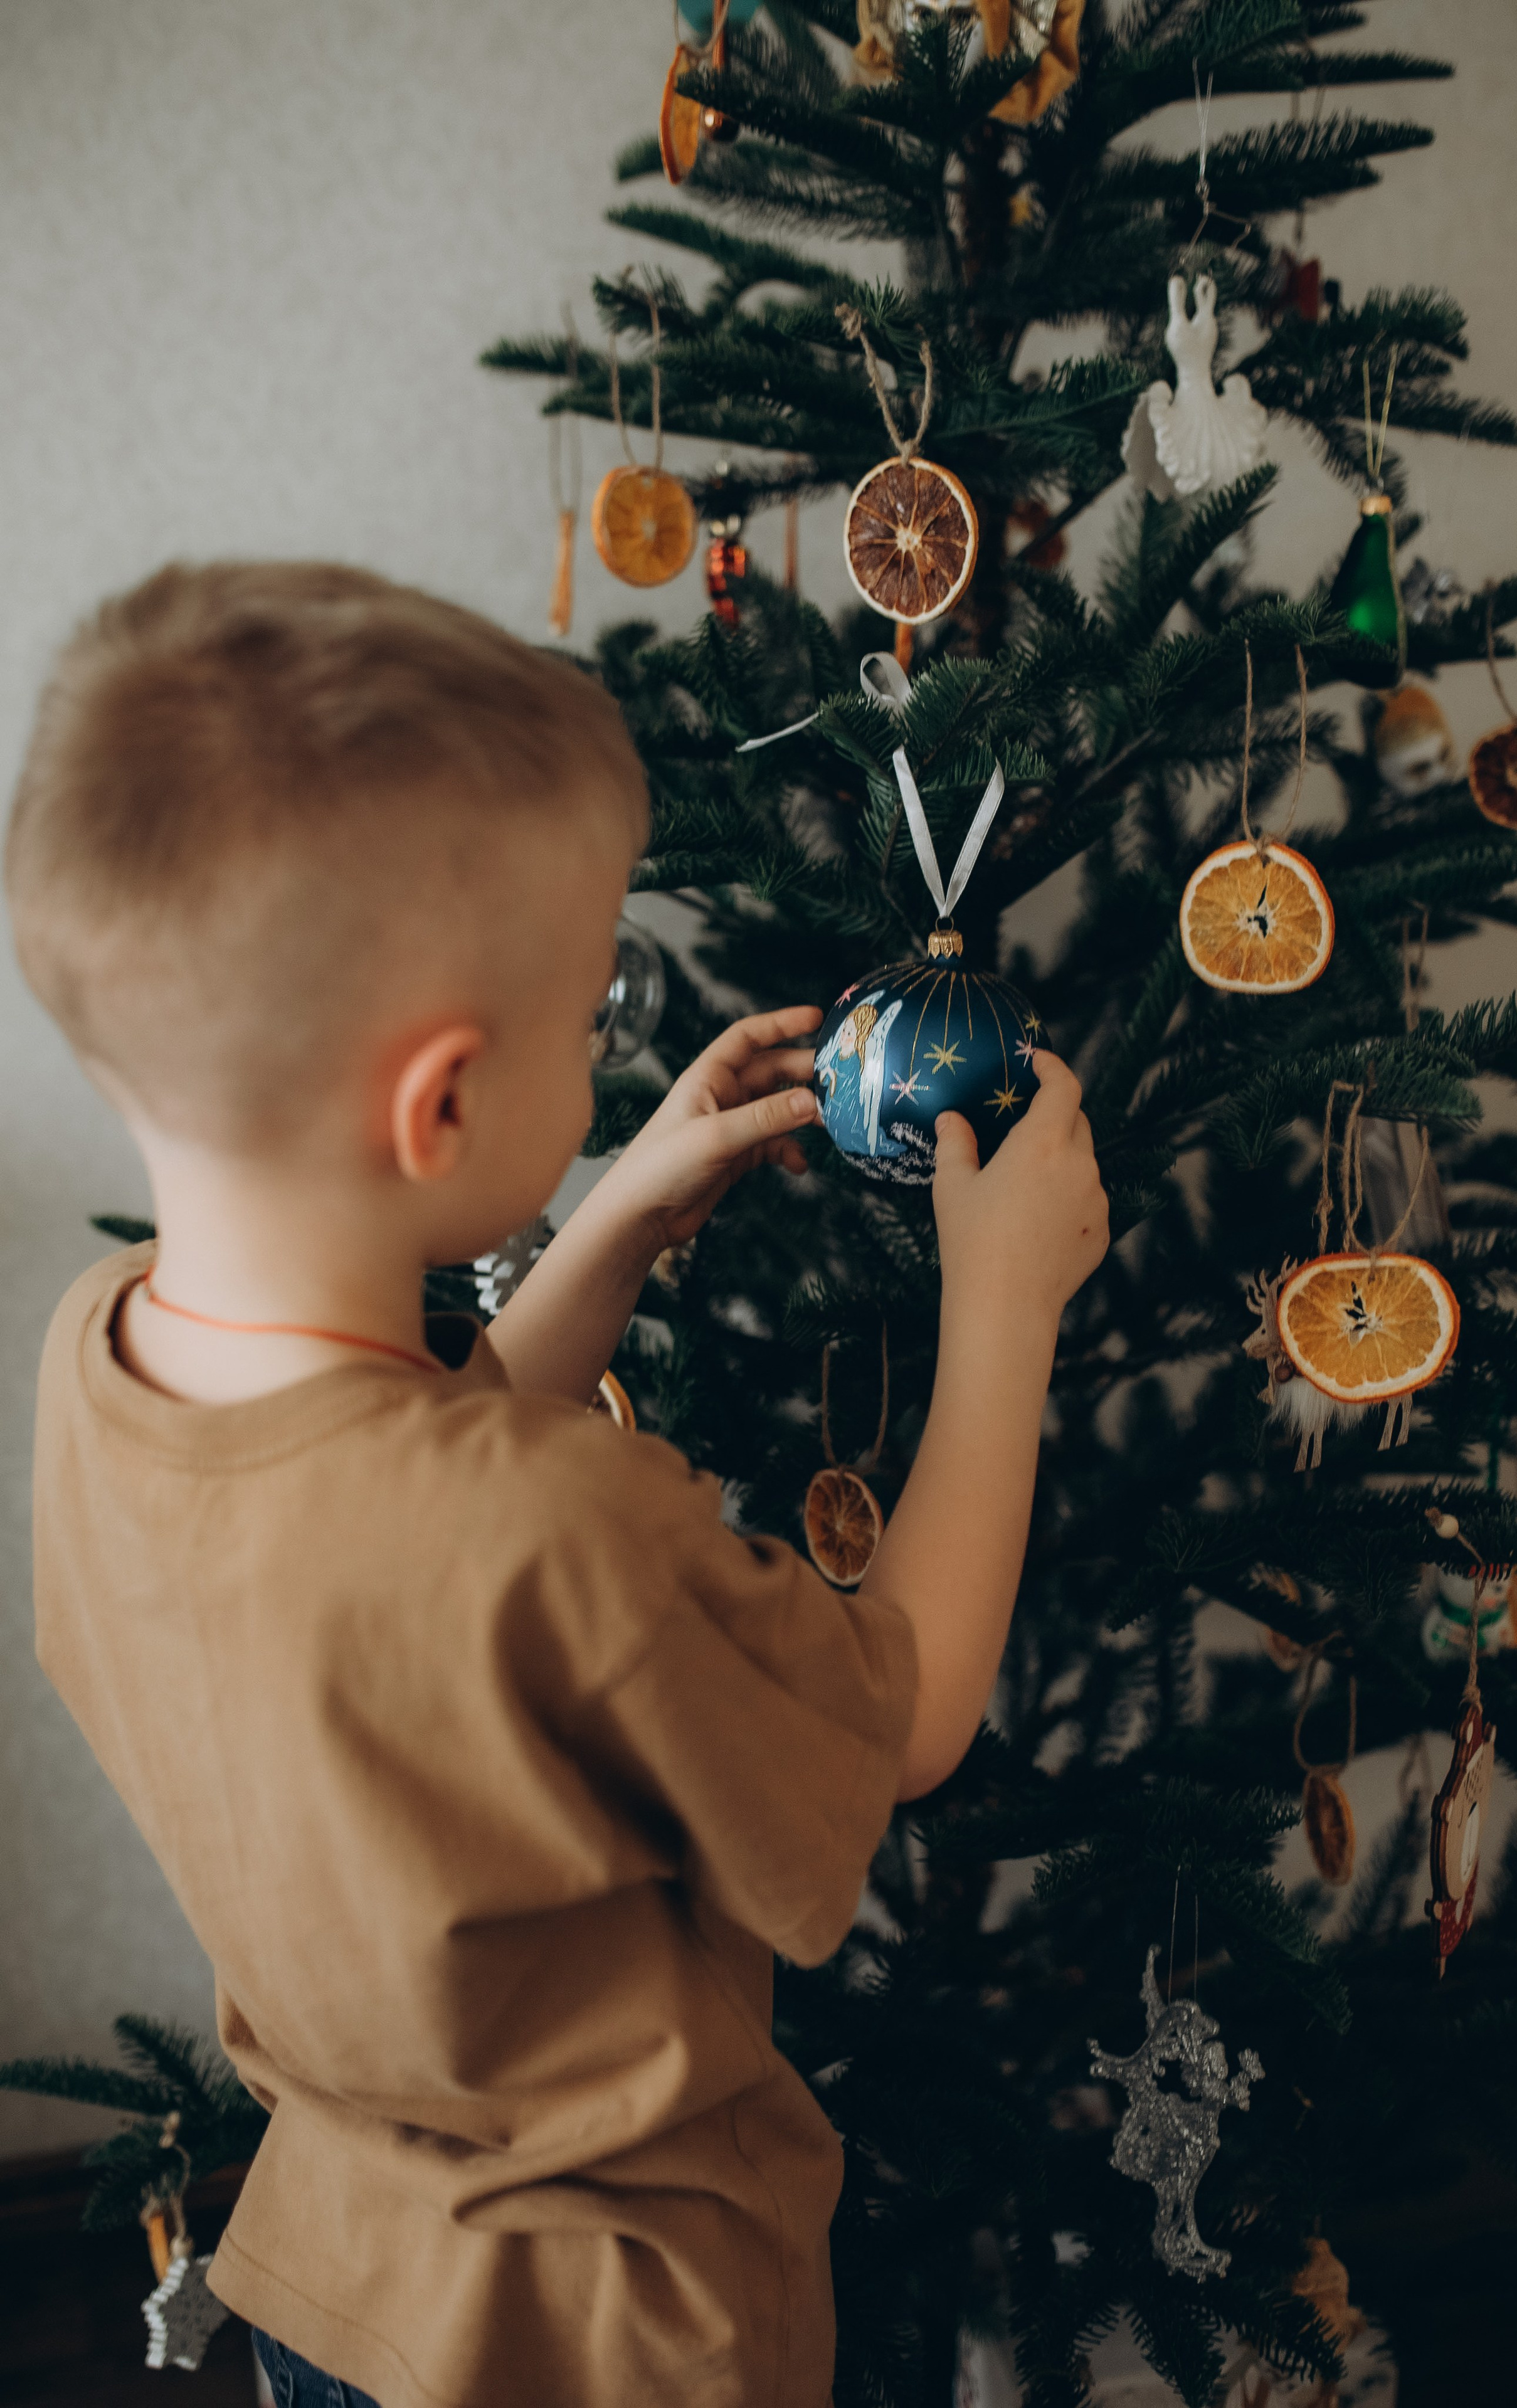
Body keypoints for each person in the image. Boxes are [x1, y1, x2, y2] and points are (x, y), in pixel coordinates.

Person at [7, 562, 1108, 2408]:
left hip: (330, 2282)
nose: (613, 1042)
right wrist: (1002, 1317)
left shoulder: (96, 1358)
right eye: (593, 1009)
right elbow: (897, 1722)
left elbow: (380, 1499)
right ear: (441, 1107)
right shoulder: (565, 1526)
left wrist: (607, 1222)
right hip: (620, 2338)